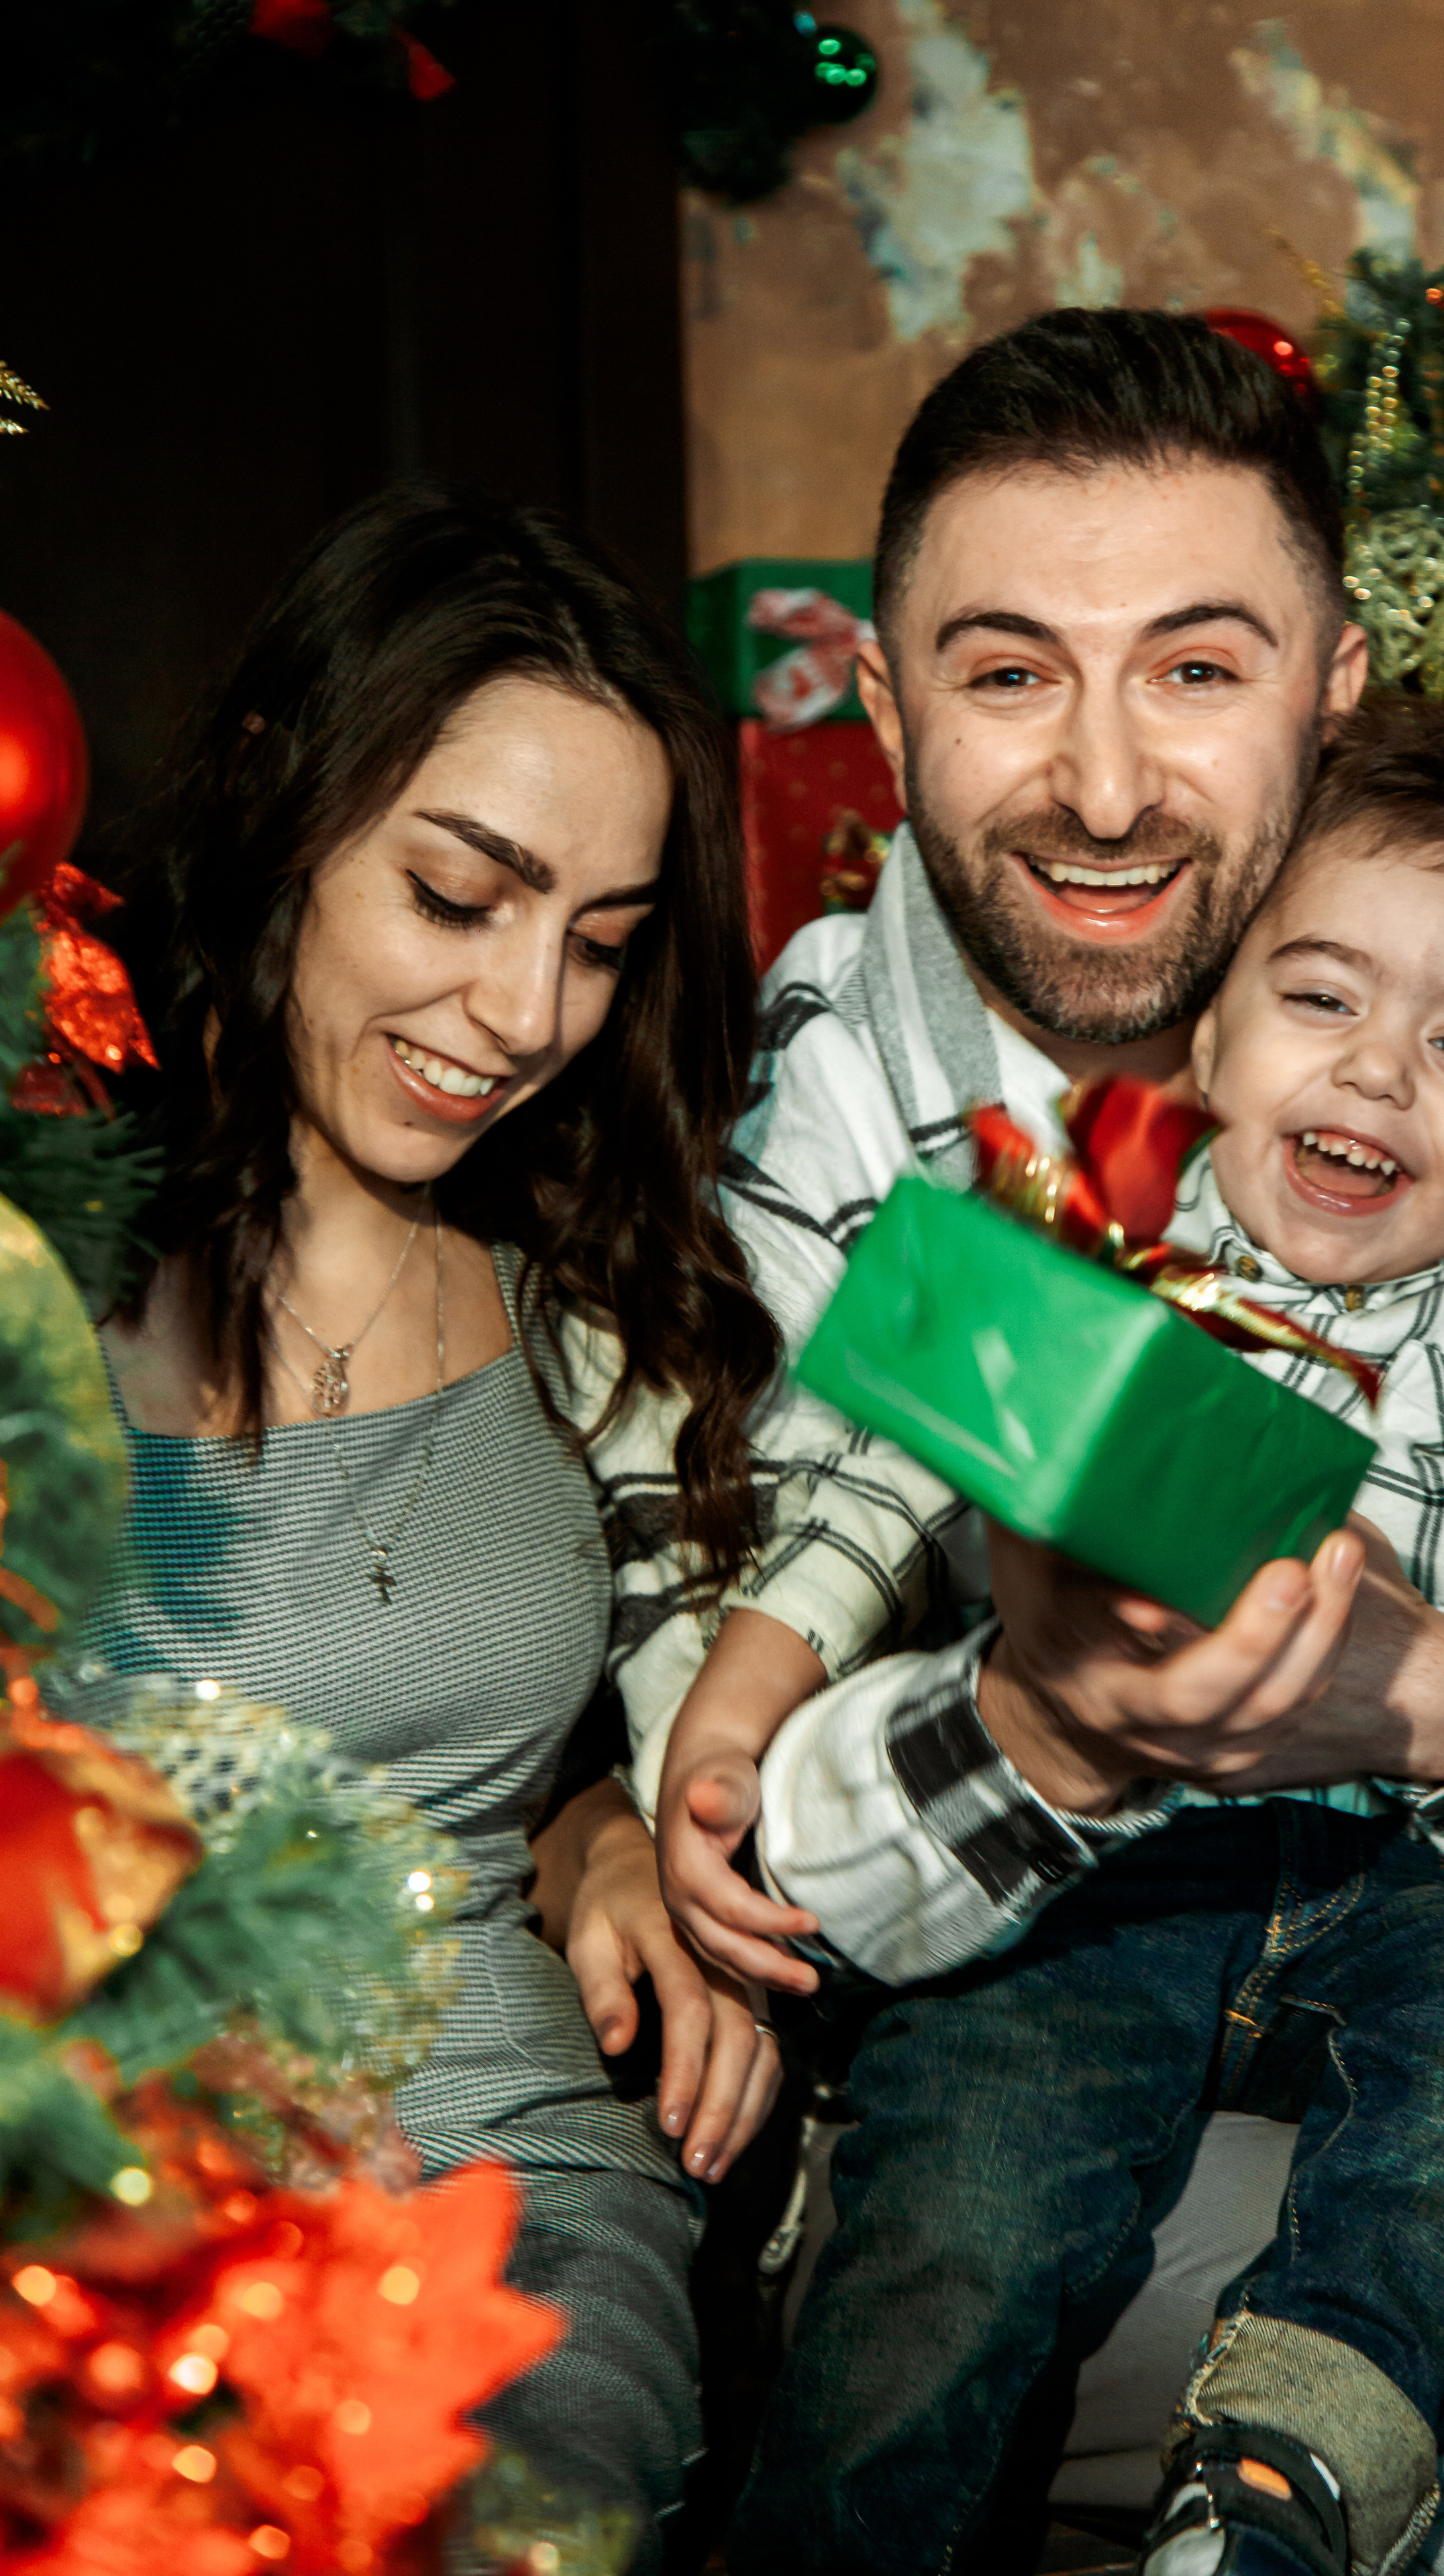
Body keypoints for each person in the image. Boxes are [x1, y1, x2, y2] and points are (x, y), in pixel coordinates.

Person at [556, 309, 1444, 2572]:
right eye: (1009, 676)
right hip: (985, 2027)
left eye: (1197, 668)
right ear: (885, 716)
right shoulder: (780, 1133)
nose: (1105, 787)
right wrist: (1057, 1733)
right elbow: (752, 1822)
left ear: (1337, 686)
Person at [726, 692, 1444, 2575]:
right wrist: (768, 1656)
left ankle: (1275, 2489)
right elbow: (891, 1461)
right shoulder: (1111, 1224)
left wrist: (1241, 1486)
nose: (1378, 1077)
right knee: (975, 2165)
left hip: (1412, 1891)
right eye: (1321, 1000)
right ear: (1216, 1013)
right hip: (1112, 1880)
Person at [73, 478, 896, 2571]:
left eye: (598, 944)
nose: (528, 1013)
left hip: (507, 2189)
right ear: (279, 798)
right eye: (460, 897)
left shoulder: (590, 1311)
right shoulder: (42, 1251)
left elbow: (572, 1705)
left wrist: (589, 1818)